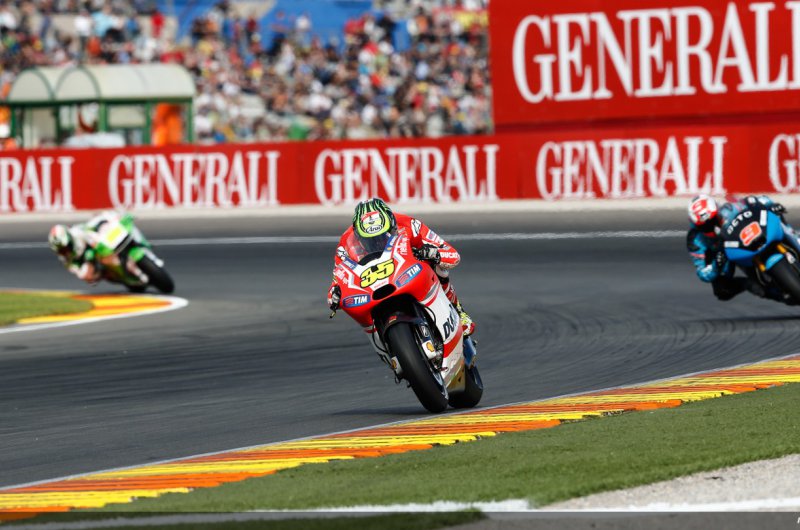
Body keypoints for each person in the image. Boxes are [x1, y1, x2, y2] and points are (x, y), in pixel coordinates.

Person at [327, 197, 475, 335]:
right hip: (373, 285)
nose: (378, 242)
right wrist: (335, 294)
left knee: (438, 266)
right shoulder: (345, 245)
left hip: (406, 270)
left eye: (383, 236)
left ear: (392, 225)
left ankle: (457, 310)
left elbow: (452, 255)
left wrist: (433, 253)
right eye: (370, 241)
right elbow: (337, 281)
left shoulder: (410, 225)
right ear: (358, 235)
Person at [686, 194, 792, 302]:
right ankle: (757, 286)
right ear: (696, 226)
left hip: (749, 234)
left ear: (717, 211)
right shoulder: (695, 239)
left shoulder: (729, 210)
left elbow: (753, 200)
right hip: (727, 253)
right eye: (705, 226)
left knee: (774, 213)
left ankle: (793, 235)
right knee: (722, 289)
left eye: (714, 220)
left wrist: (770, 204)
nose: (713, 227)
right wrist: (715, 266)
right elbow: (702, 272)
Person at [47, 211, 136, 284]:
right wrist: (90, 265)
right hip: (92, 263)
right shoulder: (65, 259)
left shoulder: (78, 233)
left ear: (70, 239)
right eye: (61, 251)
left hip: (98, 245)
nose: (65, 252)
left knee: (106, 225)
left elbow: (93, 238)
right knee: (88, 276)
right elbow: (80, 273)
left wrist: (99, 249)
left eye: (65, 248)